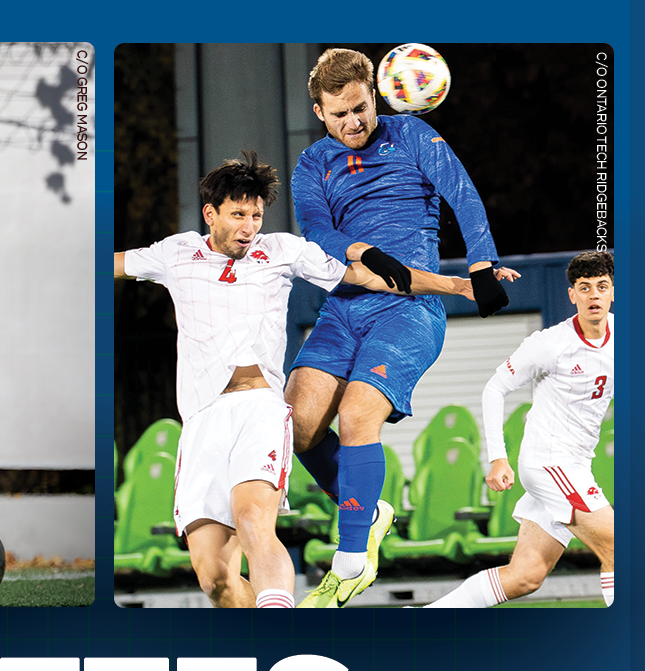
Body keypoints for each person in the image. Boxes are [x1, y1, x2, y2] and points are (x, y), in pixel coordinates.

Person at [114, 151, 474, 609]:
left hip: (260, 411)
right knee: (215, 578)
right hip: (202, 421)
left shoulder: (282, 250)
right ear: (211, 214)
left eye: (257, 215)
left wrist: (457, 285)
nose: (249, 226)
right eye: (238, 214)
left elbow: (366, 278)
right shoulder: (175, 253)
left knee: (253, 521)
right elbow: (112, 263)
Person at [286, 47, 519, 609]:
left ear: (375, 95)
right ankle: (366, 505)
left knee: (358, 411)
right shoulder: (311, 164)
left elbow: (463, 195)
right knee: (295, 423)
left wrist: (481, 265)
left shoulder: (409, 134)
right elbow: (318, 230)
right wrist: (363, 251)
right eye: (339, 114)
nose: (354, 122)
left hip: (409, 309)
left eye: (361, 108)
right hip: (343, 305)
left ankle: (347, 564)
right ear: (319, 112)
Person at [424, 252, 615, 608]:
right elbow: (495, 388)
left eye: (601, 287)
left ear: (612, 293)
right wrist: (498, 458)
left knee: (525, 576)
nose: (593, 296)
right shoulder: (550, 345)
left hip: (574, 466)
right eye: (584, 288)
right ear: (572, 295)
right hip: (550, 464)